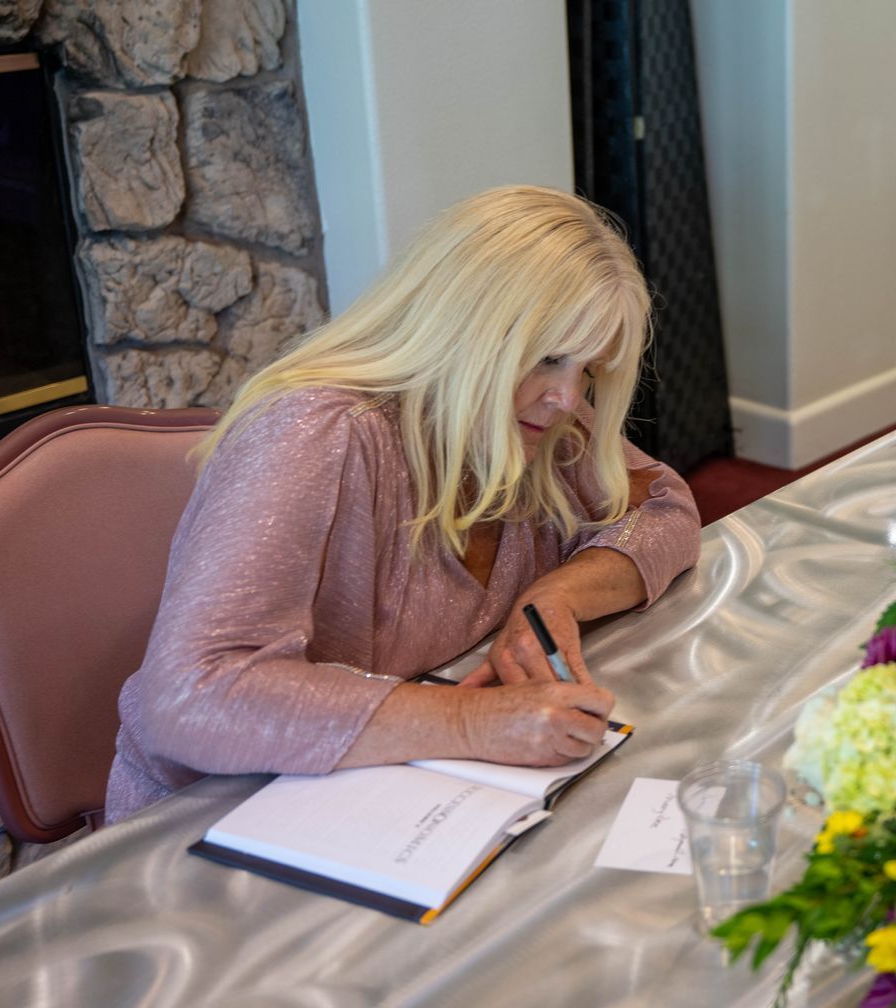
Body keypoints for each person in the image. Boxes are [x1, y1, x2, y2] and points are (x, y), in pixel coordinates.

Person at [105, 186, 702, 822]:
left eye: (587, 367)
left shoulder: (540, 420)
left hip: (381, 797)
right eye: (547, 356)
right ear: (462, 328)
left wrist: (555, 596)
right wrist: (472, 722)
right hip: (213, 821)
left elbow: (667, 510)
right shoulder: (315, 431)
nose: (565, 396)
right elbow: (192, 695)